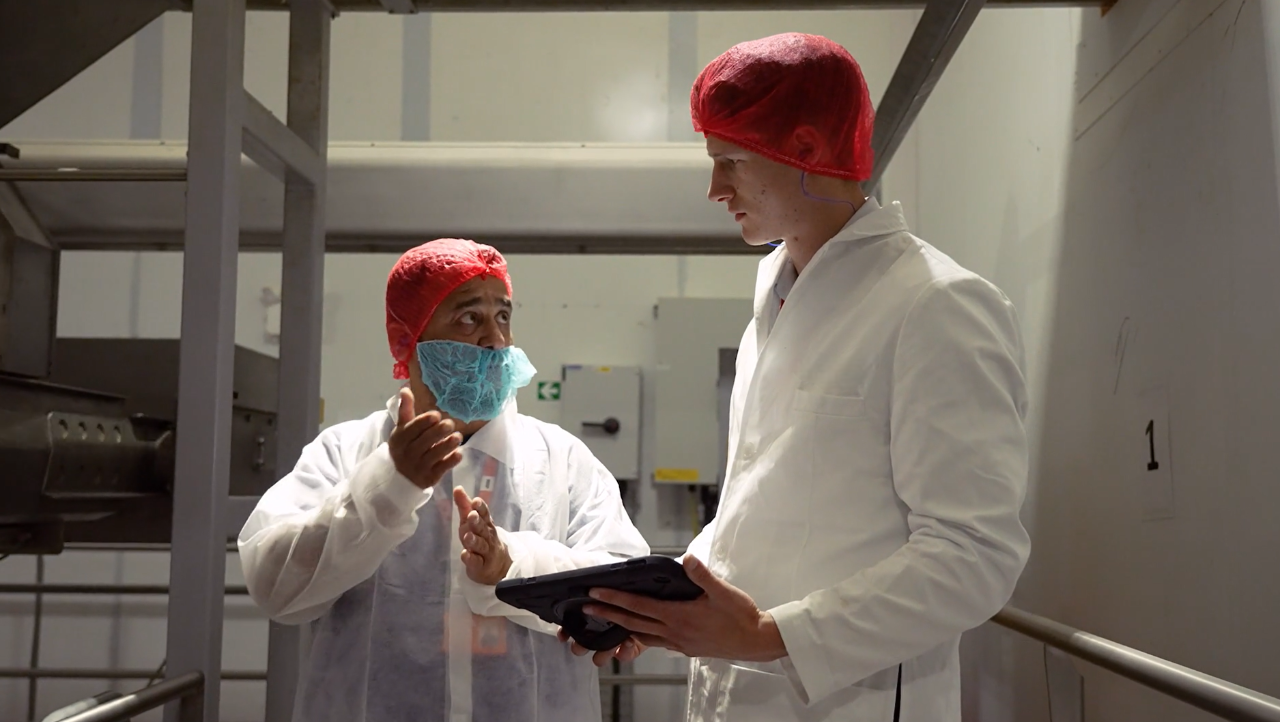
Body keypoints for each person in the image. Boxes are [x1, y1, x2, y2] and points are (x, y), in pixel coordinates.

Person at [568, 33, 1031, 722]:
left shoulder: (934, 303)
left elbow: (975, 555)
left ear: (807, 152)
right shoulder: (777, 303)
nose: (714, 189)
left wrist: (773, 637)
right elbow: (760, 511)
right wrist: (663, 606)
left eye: (729, 162)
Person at [239, 238, 649, 722]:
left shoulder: (559, 460)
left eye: (503, 317)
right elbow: (275, 586)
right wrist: (388, 488)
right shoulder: (347, 452)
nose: (495, 339)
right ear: (405, 337)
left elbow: (626, 582)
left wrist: (513, 567)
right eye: (469, 317)